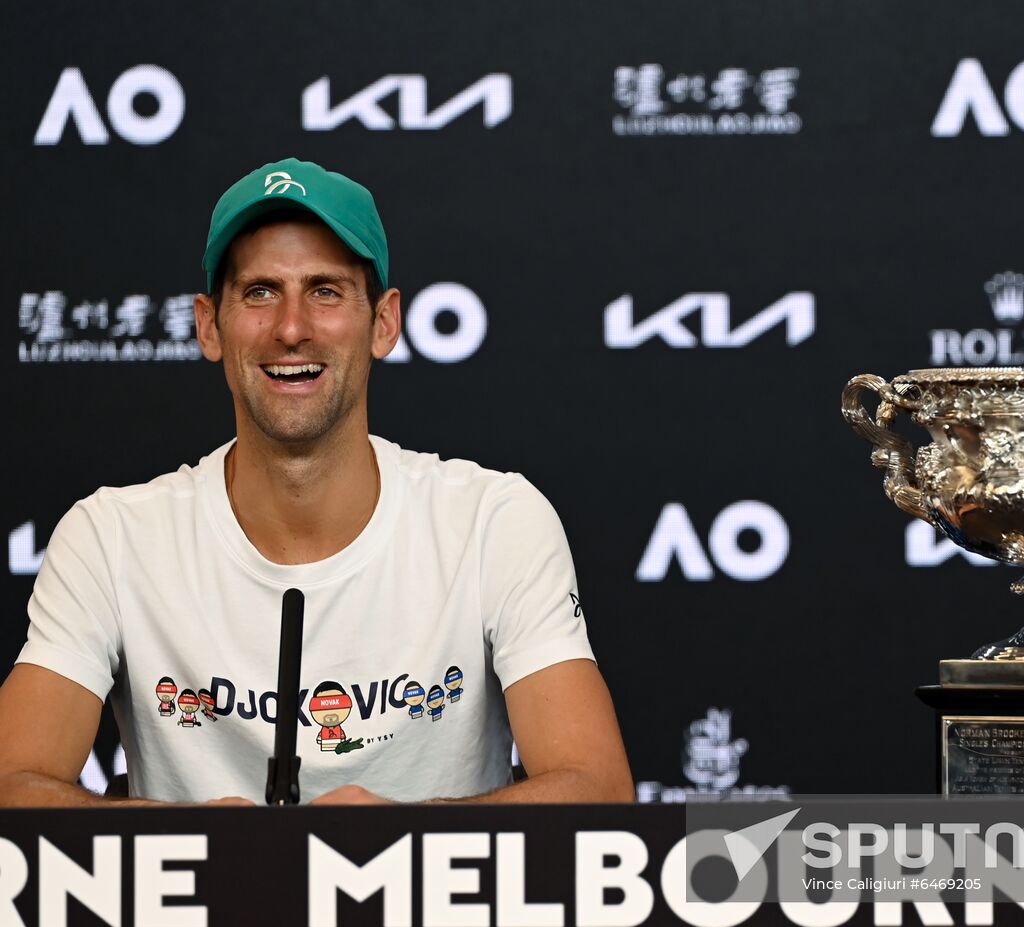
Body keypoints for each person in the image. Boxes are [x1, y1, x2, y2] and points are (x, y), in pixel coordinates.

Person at [0, 157, 633, 807]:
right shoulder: (111, 537)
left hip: (435, 911)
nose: (292, 328)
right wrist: (186, 842)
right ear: (208, 325)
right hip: (197, 909)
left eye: (325, 290)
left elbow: (600, 790)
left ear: (383, 322)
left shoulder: (494, 522)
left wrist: (397, 838)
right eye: (259, 292)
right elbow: (11, 784)